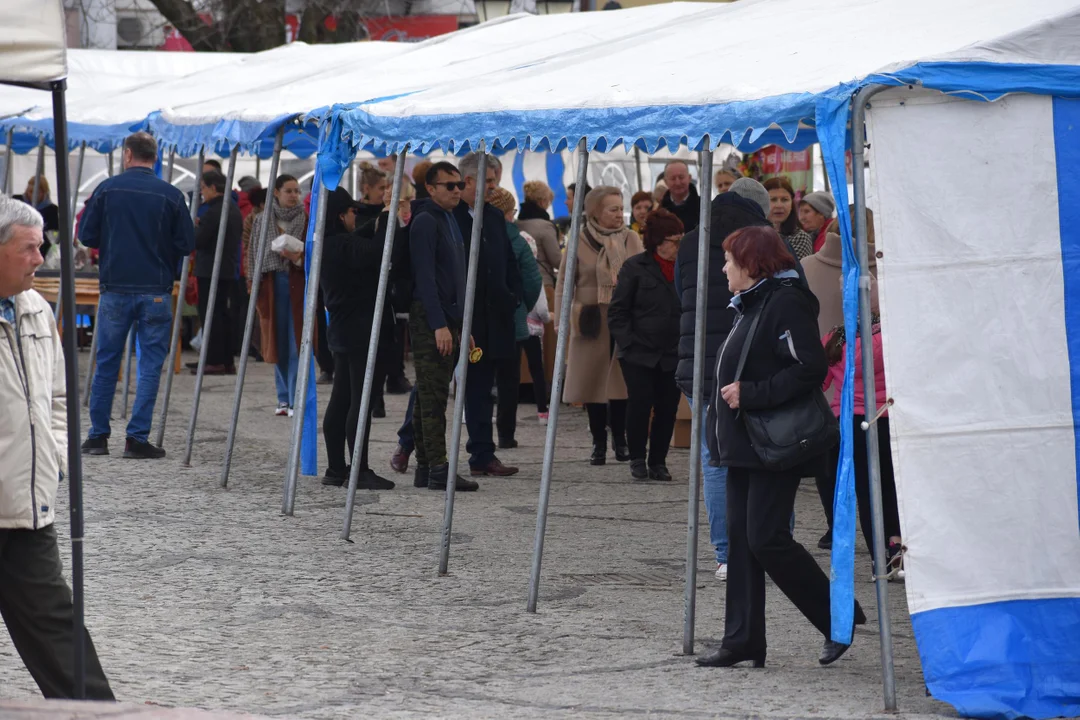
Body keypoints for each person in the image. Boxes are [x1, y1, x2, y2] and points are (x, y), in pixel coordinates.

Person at [697, 225, 863, 669]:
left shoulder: (785, 302)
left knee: (766, 539)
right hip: (745, 444)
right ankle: (743, 639)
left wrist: (751, 393)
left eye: (730, 259)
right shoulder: (752, 303)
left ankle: (838, 618)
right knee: (742, 543)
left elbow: (808, 368)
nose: (724, 266)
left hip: (773, 443)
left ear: (753, 264)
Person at [0, 195, 115, 700]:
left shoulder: (35, 309)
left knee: (60, 632)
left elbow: (59, 396)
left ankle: (99, 715)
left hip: (26, 509)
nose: (41, 258)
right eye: (30, 248)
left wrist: (56, 458)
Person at [675, 181, 770, 580]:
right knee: (765, 454)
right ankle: (767, 544)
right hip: (752, 363)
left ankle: (727, 554)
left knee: (715, 460)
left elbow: (681, 292)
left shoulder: (692, 240)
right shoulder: (765, 242)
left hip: (699, 365)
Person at [79, 132, 195, 459]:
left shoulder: (107, 189)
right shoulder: (171, 195)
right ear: (155, 157)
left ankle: (97, 437)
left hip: (115, 287)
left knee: (105, 363)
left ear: (128, 154)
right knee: (149, 365)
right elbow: (186, 244)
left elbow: (87, 235)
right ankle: (136, 438)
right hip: (155, 288)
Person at [802, 208, 877, 549]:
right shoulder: (883, 270)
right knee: (877, 468)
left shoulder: (806, 268)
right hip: (873, 380)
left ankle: (836, 526)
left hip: (820, 375)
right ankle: (882, 532)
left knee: (828, 460)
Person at [555, 186, 643, 465]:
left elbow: (642, 278)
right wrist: (561, 322)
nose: (620, 214)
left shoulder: (632, 239)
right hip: (590, 319)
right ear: (595, 212)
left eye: (621, 208)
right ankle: (598, 443)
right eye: (613, 209)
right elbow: (563, 285)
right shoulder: (578, 240)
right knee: (592, 384)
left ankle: (620, 440)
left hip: (623, 318)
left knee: (621, 383)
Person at [409, 162, 480, 492]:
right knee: (434, 397)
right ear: (431, 188)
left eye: (459, 184)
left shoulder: (450, 218)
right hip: (430, 318)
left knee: (428, 397)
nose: (456, 190)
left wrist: (462, 324)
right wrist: (439, 325)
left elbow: (457, 277)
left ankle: (426, 467)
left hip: (449, 318)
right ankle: (438, 467)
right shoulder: (425, 221)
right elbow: (425, 278)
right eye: (449, 185)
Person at [319, 187, 396, 491]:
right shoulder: (341, 245)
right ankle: (358, 469)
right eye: (352, 212)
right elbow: (379, 250)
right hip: (360, 329)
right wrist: (389, 217)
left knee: (342, 398)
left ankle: (337, 467)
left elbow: (360, 238)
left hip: (341, 328)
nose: (356, 216)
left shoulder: (329, 243)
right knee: (359, 400)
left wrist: (378, 217)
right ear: (340, 215)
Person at [453, 153, 522, 477]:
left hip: (496, 318)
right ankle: (409, 439)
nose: (494, 189)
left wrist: (513, 295)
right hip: (463, 318)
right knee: (439, 386)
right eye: (490, 182)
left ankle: (482, 454)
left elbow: (508, 261)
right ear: (468, 181)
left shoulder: (493, 216)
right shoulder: (448, 216)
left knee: (483, 388)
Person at [823, 309, 903, 580]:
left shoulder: (834, 339)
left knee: (867, 493)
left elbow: (819, 383)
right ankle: (897, 545)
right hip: (886, 419)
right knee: (894, 486)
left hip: (848, 422)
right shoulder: (893, 335)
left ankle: (878, 557)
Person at [608, 208, 683, 481]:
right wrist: (628, 343)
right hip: (639, 352)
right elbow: (617, 312)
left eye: (680, 239)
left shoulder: (685, 269)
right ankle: (637, 457)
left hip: (673, 352)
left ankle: (658, 461)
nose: (678, 245)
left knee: (667, 408)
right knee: (640, 404)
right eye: (674, 240)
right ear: (658, 241)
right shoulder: (635, 267)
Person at [488, 188, 543, 449]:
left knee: (483, 379)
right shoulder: (520, 241)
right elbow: (533, 281)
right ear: (510, 212)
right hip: (513, 318)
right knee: (509, 380)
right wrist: (522, 306)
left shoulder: (477, 234)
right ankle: (506, 434)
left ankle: (480, 435)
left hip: (482, 319)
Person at [248, 174, 306, 417]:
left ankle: (294, 399)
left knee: (295, 344)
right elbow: (251, 252)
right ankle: (283, 398)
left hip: (297, 283)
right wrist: (252, 283)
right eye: (289, 191)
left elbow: (314, 255)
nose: (294, 195)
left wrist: (298, 258)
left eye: (296, 191)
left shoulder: (306, 220)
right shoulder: (261, 220)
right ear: (277, 193)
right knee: (275, 343)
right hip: (270, 284)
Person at [192, 169, 242, 375]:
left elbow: (198, 241)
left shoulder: (214, 212)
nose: (202, 193)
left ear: (213, 188)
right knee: (221, 314)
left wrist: (195, 227)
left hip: (211, 269)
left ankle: (214, 360)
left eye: (203, 188)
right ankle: (225, 359)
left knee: (211, 315)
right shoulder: (232, 208)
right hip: (226, 268)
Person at [517, 180, 562, 288]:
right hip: (543, 282)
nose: (547, 207)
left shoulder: (516, 224)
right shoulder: (545, 226)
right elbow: (557, 260)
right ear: (542, 201)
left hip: (521, 281)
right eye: (548, 203)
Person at [763, 176, 813, 260]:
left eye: (784, 200)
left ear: (791, 204)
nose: (779, 205)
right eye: (773, 200)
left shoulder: (800, 238)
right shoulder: (751, 234)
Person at [15, 175, 60, 257]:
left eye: (37, 192)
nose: (32, 195)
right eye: (30, 191)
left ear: (44, 193)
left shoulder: (51, 210)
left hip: (41, 250)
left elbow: (54, 234)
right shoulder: (17, 202)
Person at [660, 160, 700, 233]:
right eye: (673, 178)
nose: (678, 183)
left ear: (689, 178)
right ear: (665, 181)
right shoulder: (659, 211)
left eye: (681, 177)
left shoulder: (705, 208)